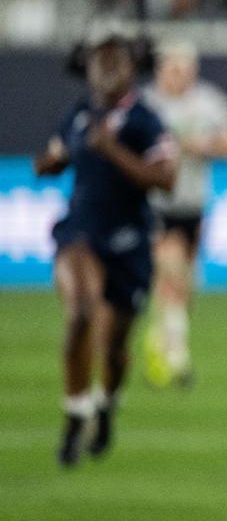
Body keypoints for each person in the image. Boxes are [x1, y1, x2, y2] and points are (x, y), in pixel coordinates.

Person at [33, 30, 178, 466]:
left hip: (130, 242)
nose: (108, 69)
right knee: (80, 312)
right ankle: (76, 412)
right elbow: (53, 157)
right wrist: (49, 163)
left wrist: (113, 150)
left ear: (133, 70)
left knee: (114, 348)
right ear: (89, 68)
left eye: (117, 62)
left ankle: (106, 404)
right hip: (81, 232)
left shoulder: (145, 121)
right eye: (101, 61)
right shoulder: (79, 115)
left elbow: (166, 179)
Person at [142, 40, 227, 387]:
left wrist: (206, 145)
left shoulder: (209, 101)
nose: (179, 75)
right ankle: (178, 358)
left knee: (185, 287)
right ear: (161, 69)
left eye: (185, 68)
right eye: (173, 67)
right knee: (170, 273)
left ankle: (161, 338)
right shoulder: (147, 103)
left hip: (193, 203)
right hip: (156, 203)